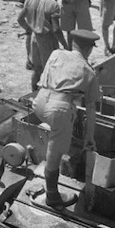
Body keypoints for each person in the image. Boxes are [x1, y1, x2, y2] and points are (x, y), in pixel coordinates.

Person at [33, 30, 102, 208]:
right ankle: (53, 197)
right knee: (54, 153)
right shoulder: (88, 71)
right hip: (59, 109)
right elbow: (91, 108)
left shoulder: (56, 53)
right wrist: (89, 136)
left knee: (55, 129)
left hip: (39, 102)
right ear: (89, 49)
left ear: (73, 43)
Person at [17, 0, 68, 91]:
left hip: (34, 38)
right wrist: (65, 45)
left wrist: (29, 29)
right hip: (47, 40)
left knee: (37, 69)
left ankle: (33, 92)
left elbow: (20, 19)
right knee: (49, 70)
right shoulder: (53, 4)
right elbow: (56, 29)